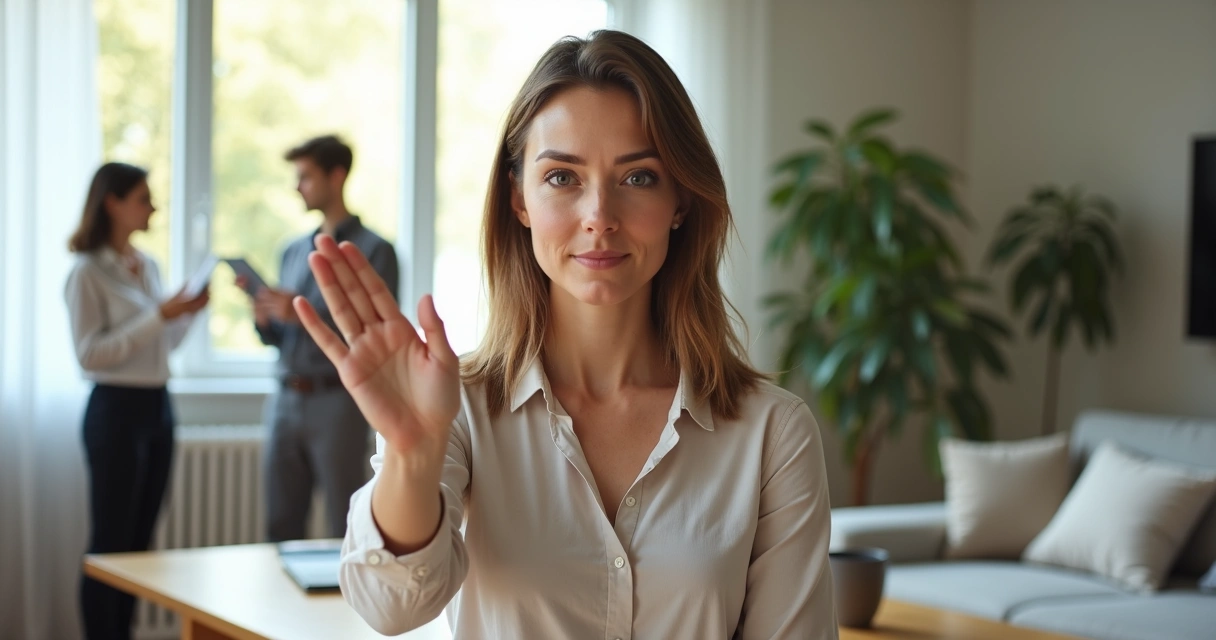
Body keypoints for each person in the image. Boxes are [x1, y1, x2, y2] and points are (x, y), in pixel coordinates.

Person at [301, 31, 836, 639]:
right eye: (562, 177)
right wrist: (414, 454)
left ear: (681, 201)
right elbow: (389, 606)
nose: (599, 215)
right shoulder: (460, 408)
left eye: (639, 178)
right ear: (518, 199)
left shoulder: (772, 433)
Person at [65, 162, 209, 640]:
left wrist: (183, 316)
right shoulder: (87, 272)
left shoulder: (146, 265)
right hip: (114, 411)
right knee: (110, 543)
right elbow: (90, 356)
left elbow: (158, 346)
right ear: (113, 202)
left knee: (140, 546)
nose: (153, 207)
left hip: (156, 407)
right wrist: (158, 314)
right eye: (144, 198)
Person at [247, 134, 399, 542]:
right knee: (280, 522)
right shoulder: (292, 250)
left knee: (345, 521)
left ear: (337, 175)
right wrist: (266, 319)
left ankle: (347, 607)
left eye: (305, 177)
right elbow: (281, 339)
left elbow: (378, 337)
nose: (298, 187)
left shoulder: (376, 250)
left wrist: (301, 313)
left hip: (338, 401)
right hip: (285, 399)